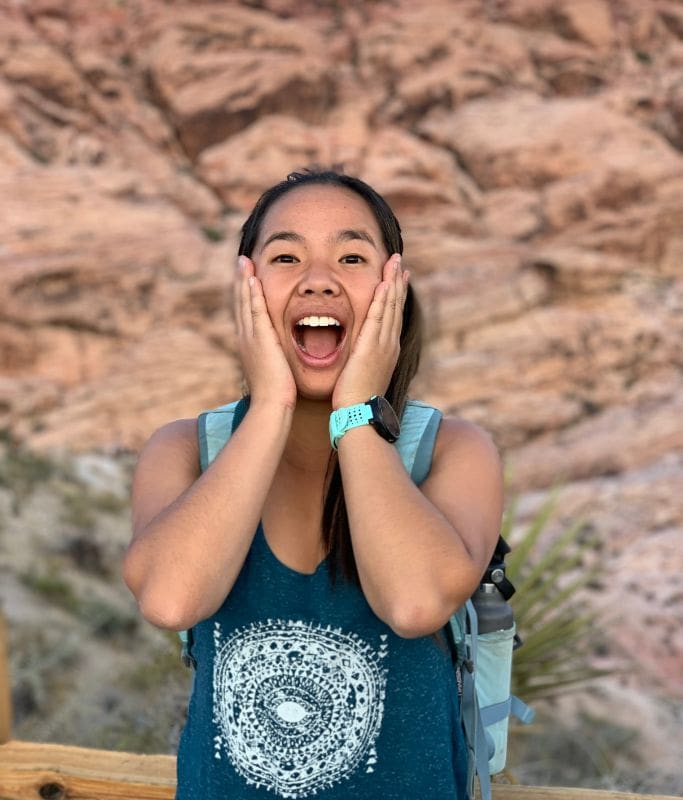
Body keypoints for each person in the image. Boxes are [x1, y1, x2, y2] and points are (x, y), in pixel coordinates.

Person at [123, 169, 503, 799]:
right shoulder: (187, 449)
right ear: (248, 286)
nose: (318, 278)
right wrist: (270, 403)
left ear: (394, 291)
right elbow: (170, 600)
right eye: (286, 256)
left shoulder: (453, 452)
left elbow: (414, 604)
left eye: (352, 257)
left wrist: (356, 410)